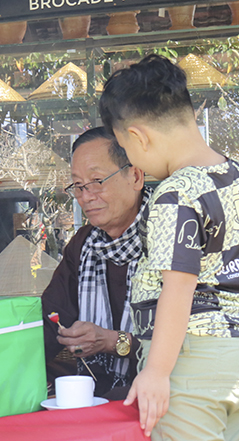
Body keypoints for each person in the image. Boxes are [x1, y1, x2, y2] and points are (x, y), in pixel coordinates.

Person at [100, 54, 239, 441]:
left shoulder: (174, 196)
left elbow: (178, 287)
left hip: (190, 365)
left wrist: (156, 373)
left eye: (123, 149)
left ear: (136, 136)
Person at [41, 127, 150, 399]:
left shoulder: (170, 237)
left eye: (97, 180)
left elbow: (190, 347)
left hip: (158, 395)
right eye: (78, 185)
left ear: (135, 176)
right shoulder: (84, 244)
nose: (85, 196)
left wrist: (112, 342)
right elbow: (49, 322)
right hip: (95, 394)